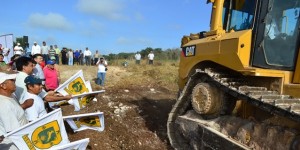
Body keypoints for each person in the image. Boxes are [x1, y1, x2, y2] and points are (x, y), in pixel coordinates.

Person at [0, 71, 28, 150]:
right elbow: (14, 131)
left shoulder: (11, 96)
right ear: (3, 86)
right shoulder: (4, 104)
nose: (14, 82)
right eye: (11, 81)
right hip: (14, 146)